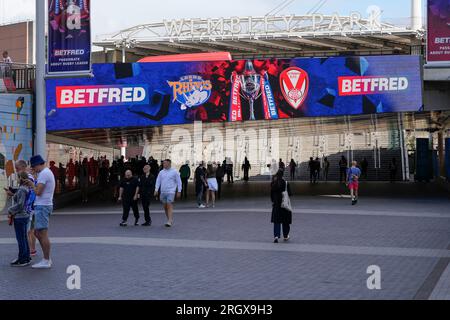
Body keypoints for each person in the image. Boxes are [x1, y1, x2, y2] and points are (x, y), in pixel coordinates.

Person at [28, 155, 56, 269]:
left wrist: (31, 185)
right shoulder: (45, 173)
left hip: (43, 206)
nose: (33, 169)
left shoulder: (44, 173)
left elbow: (38, 192)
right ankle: (46, 258)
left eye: (34, 167)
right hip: (42, 206)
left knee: (42, 234)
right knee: (37, 233)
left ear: (38, 164)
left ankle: (46, 260)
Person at [8, 172, 33, 266]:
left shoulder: (22, 189)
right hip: (24, 215)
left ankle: (22, 259)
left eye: (18, 177)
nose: (17, 179)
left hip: (20, 216)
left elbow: (20, 204)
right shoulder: (25, 188)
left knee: (21, 238)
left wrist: (10, 210)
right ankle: (26, 257)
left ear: (21, 178)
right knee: (24, 237)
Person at [154, 159, 182, 227]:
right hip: (163, 191)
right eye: (163, 163)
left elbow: (179, 182)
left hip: (171, 191)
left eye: (165, 163)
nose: (163, 164)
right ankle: (169, 219)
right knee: (165, 206)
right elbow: (158, 181)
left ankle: (169, 220)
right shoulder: (161, 172)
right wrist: (156, 189)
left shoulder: (174, 172)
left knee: (169, 204)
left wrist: (179, 191)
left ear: (169, 164)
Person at [270, 169, 292, 243]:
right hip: (284, 205)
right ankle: (285, 236)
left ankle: (276, 236)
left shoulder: (273, 183)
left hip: (276, 205)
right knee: (285, 221)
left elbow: (271, 195)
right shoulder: (286, 183)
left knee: (277, 221)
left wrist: (273, 201)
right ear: (283, 175)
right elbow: (290, 194)